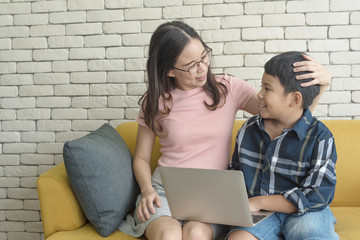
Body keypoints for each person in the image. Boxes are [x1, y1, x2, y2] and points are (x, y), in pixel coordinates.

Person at [118, 21, 332, 240]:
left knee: (195, 234)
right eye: (191, 65)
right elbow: (142, 158)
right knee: (168, 236)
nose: (203, 68)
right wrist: (147, 190)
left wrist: (322, 85)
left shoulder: (227, 89)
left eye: (204, 56)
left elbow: (289, 115)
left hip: (212, 195)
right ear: (170, 70)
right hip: (165, 191)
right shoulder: (155, 102)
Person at [227, 51, 338, 240]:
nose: (259, 94)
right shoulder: (248, 130)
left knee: (310, 233)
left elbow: (317, 195)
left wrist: (259, 201)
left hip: (305, 210)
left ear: (295, 99)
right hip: (261, 212)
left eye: (267, 89)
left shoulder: (321, 137)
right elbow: (235, 176)